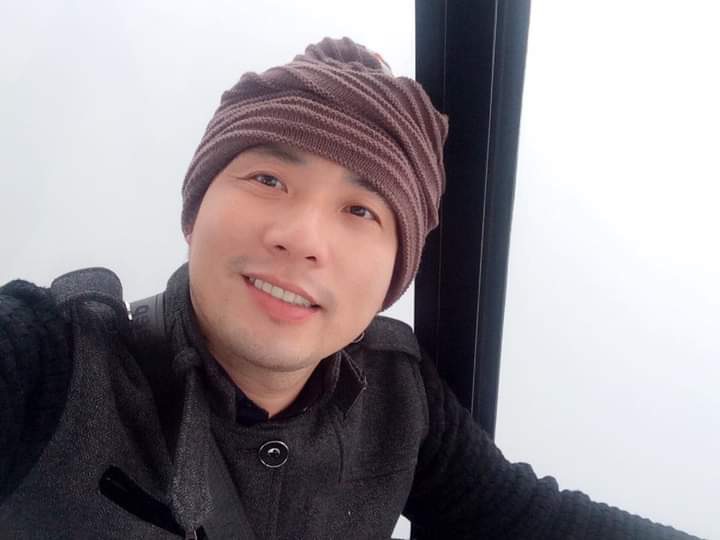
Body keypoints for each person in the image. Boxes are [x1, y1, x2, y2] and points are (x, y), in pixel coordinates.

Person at [0, 37, 702, 539]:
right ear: (195, 212)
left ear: (396, 275)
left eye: (361, 210)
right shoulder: (54, 365)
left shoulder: (402, 403)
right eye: (268, 178)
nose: (302, 236)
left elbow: (532, 521)